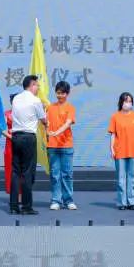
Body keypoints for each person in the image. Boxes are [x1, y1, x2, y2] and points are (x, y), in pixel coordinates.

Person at [9, 75, 47, 215]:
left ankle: (13, 206)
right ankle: (26, 207)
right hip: (28, 137)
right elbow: (43, 119)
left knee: (15, 172)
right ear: (31, 85)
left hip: (16, 136)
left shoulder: (16, 99)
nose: (38, 88)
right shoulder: (35, 100)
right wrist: (44, 112)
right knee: (27, 172)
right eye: (37, 85)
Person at [108, 92, 134, 210]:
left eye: (130, 101)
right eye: (125, 101)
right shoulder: (115, 117)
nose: (128, 103)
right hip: (120, 150)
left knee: (132, 177)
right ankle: (122, 203)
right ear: (121, 102)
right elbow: (113, 134)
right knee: (121, 179)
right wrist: (112, 149)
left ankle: (132, 201)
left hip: (133, 150)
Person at [47, 81, 77, 210]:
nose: (60, 95)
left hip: (66, 145)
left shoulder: (70, 107)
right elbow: (46, 123)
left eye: (62, 93)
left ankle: (68, 200)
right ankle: (56, 200)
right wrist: (47, 130)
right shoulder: (50, 107)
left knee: (67, 174)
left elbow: (68, 123)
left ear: (67, 94)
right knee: (55, 174)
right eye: (58, 93)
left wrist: (57, 132)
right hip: (52, 146)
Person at [2, 94, 16, 195]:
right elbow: (2, 129)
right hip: (10, 143)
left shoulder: (25, 114)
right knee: (10, 168)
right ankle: (12, 192)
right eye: (13, 101)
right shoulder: (6, 114)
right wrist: (11, 137)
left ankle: (22, 194)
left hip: (22, 142)